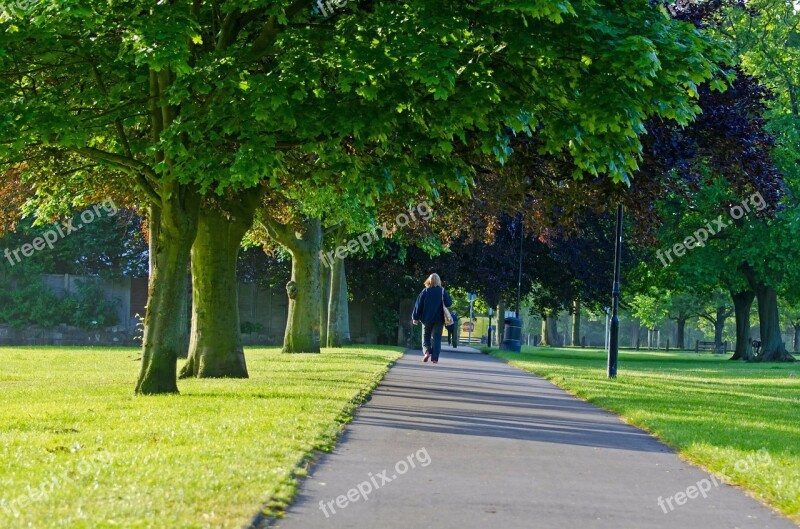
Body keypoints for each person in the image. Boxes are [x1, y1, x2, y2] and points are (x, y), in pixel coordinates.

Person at [411, 273, 452, 364]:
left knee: (426, 336)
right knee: (436, 338)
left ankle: (427, 352)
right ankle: (435, 358)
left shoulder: (425, 291)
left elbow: (418, 305)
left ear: (429, 281)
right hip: (439, 319)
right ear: (438, 281)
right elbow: (449, 303)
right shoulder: (442, 291)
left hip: (426, 319)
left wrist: (415, 318)